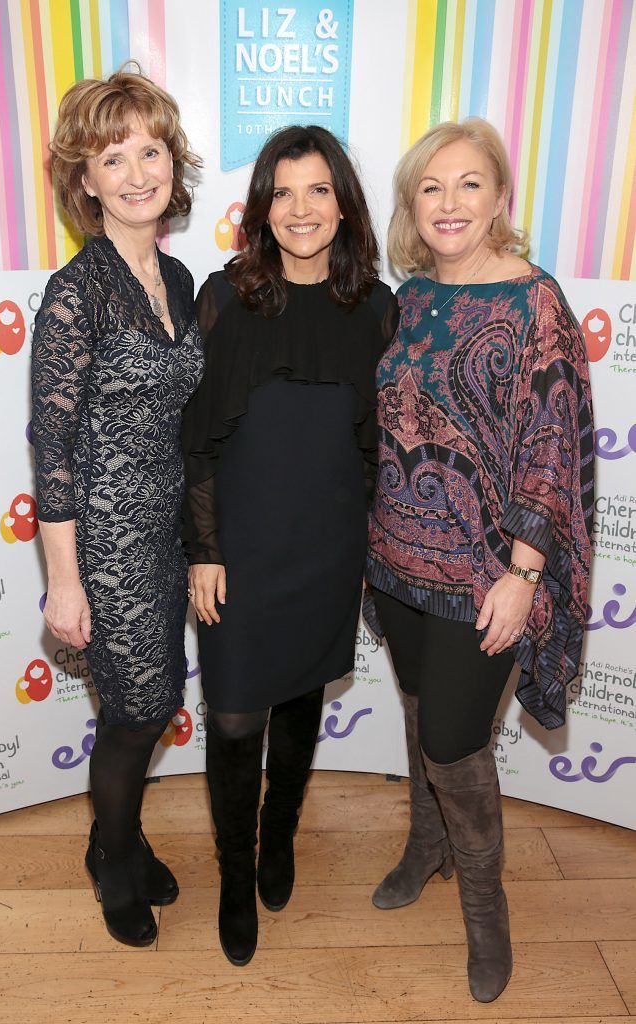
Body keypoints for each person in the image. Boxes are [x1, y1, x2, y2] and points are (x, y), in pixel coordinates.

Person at [366, 117, 594, 1002]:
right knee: (422, 717)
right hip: (393, 559)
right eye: (431, 187)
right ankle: (426, 847)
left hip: (485, 574)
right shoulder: (410, 296)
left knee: (458, 739)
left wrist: (523, 572)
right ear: (412, 206)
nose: (449, 202)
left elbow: (550, 443)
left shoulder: (537, 302)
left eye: (468, 184)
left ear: (499, 195)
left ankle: (485, 911)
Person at [182, 125, 398, 966]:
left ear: (343, 204)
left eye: (318, 191)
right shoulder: (222, 297)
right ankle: (238, 873)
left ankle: (279, 838)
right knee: (236, 719)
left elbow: (383, 448)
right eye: (283, 192)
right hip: (239, 549)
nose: (300, 210)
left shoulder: (377, 307)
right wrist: (203, 548)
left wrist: (373, 556)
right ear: (260, 206)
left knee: (304, 694)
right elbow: (194, 435)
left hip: (328, 544)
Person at [31, 68, 203, 947]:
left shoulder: (177, 277)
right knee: (136, 711)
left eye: (150, 149)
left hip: (169, 537)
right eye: (112, 156)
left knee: (156, 698)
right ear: (84, 180)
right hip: (103, 542)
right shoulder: (75, 293)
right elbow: (52, 452)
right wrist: (64, 585)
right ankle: (112, 853)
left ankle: (122, 834)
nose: (138, 171)